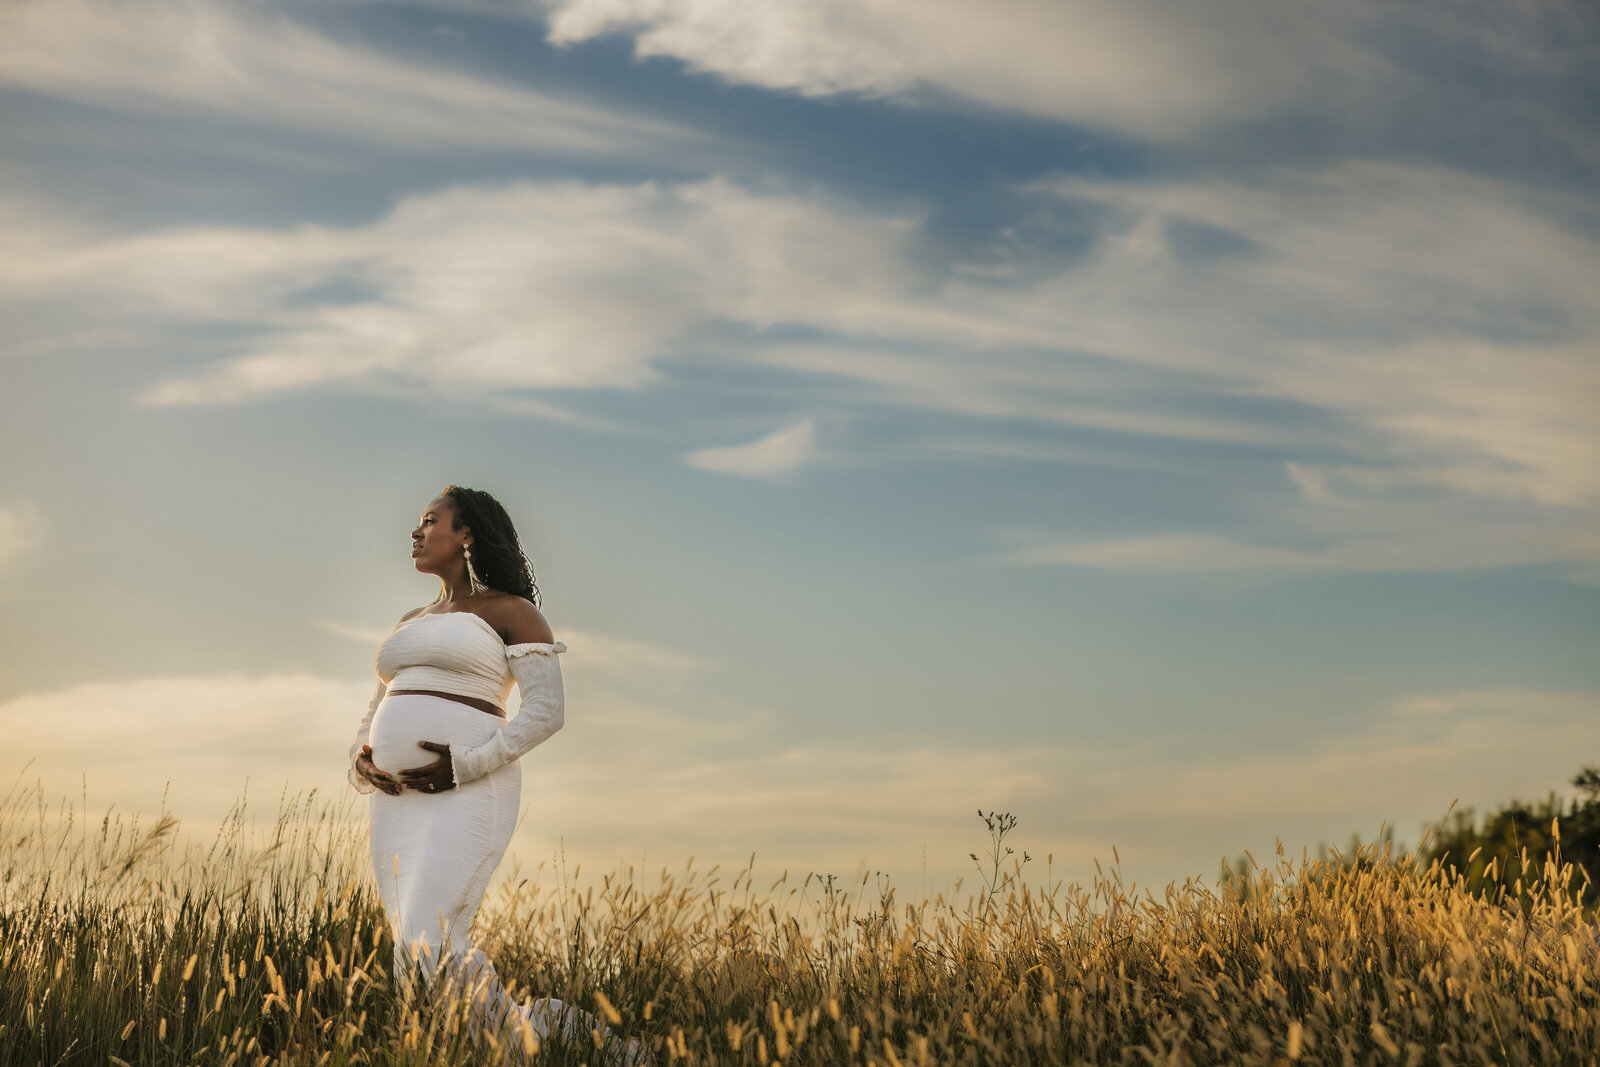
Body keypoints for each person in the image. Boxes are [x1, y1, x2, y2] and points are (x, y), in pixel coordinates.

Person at [346, 485, 642, 1062]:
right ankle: (484, 1049)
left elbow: (546, 712)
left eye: (430, 520)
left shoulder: (512, 611)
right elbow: (378, 699)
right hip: (397, 800)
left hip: (468, 791)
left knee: (431, 939)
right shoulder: (411, 620)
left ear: (467, 534)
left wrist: (464, 767)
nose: (416, 531)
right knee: (412, 947)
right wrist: (363, 755)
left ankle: (553, 1045)